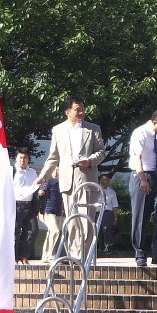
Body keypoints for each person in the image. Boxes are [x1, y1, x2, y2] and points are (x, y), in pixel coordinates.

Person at [37, 96, 106, 259]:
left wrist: (90, 161)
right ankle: (74, 256)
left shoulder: (93, 129)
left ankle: (86, 257)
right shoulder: (58, 130)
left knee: (86, 220)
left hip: (87, 179)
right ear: (68, 112)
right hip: (67, 181)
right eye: (77, 109)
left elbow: (101, 152)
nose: (81, 112)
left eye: (82, 109)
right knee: (72, 221)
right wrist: (43, 177)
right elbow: (53, 157)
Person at [129, 108, 157, 267]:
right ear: (155, 122)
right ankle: (140, 254)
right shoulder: (140, 133)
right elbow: (137, 157)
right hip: (142, 175)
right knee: (141, 216)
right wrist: (143, 179)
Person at [12, 148, 39, 264]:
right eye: (20, 158)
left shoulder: (32, 172)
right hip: (16, 205)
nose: (23, 160)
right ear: (16, 158)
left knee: (33, 230)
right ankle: (14, 257)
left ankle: (24, 255)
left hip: (29, 206)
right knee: (15, 232)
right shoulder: (11, 171)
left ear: (28, 159)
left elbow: (35, 189)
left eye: (25, 158)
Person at [38, 168, 64, 265]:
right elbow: (42, 189)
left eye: (58, 170)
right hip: (48, 211)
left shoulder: (63, 183)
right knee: (55, 231)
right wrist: (41, 192)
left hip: (58, 212)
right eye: (54, 170)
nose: (56, 172)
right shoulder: (49, 182)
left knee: (51, 233)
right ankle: (51, 255)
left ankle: (45, 256)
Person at [97, 174, 119, 254]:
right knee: (96, 230)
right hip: (98, 211)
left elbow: (115, 206)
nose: (103, 182)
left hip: (108, 212)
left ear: (109, 181)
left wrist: (115, 218)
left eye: (105, 180)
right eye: (102, 180)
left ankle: (108, 248)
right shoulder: (96, 190)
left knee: (107, 230)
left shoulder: (112, 192)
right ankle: (96, 248)